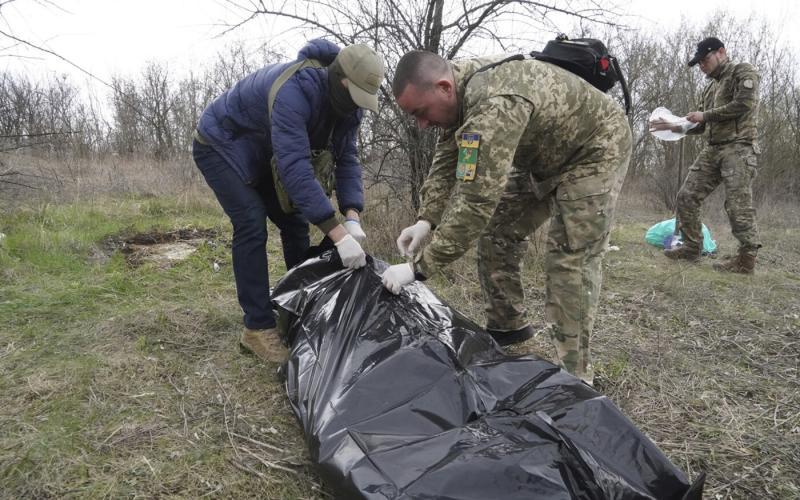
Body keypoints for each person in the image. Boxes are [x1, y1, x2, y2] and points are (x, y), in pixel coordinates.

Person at [381, 50, 632, 385]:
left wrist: (417, 268)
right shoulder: (459, 93)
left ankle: (575, 378)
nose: (422, 124)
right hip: (545, 158)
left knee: (570, 260)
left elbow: (476, 201)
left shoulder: (494, 103)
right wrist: (426, 221)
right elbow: (447, 159)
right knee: (499, 229)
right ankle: (507, 327)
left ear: (443, 88)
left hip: (594, 151)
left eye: (421, 113)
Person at [193, 39, 384, 362]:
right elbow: (294, 167)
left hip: (264, 152)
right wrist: (337, 236)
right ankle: (257, 327)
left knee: (294, 223)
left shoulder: (349, 109)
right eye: (356, 97)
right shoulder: (295, 92)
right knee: (251, 221)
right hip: (221, 144)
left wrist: (352, 216)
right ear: (342, 81)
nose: (358, 106)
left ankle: (302, 304)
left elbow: (347, 158)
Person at [650, 36, 761, 273]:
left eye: (705, 60)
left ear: (721, 52)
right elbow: (701, 125)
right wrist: (675, 126)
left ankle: (746, 259)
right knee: (686, 196)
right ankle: (692, 247)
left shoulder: (743, 71)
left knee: (737, 205)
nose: (702, 66)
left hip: (739, 147)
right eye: (698, 63)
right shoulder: (710, 87)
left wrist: (705, 115)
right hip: (713, 149)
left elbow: (744, 104)